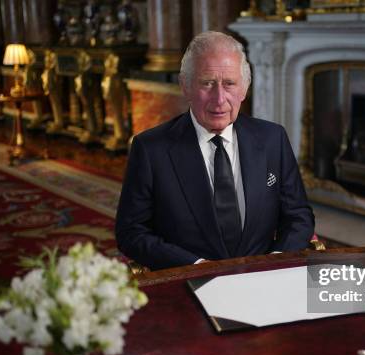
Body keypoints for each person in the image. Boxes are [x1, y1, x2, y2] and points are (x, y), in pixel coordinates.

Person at [115, 31, 314, 270]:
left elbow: (298, 215)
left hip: (263, 277)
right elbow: (131, 232)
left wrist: (275, 260)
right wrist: (196, 266)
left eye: (229, 84)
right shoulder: (150, 149)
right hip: (188, 281)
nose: (219, 99)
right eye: (207, 83)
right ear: (185, 86)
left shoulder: (273, 138)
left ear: (244, 88)